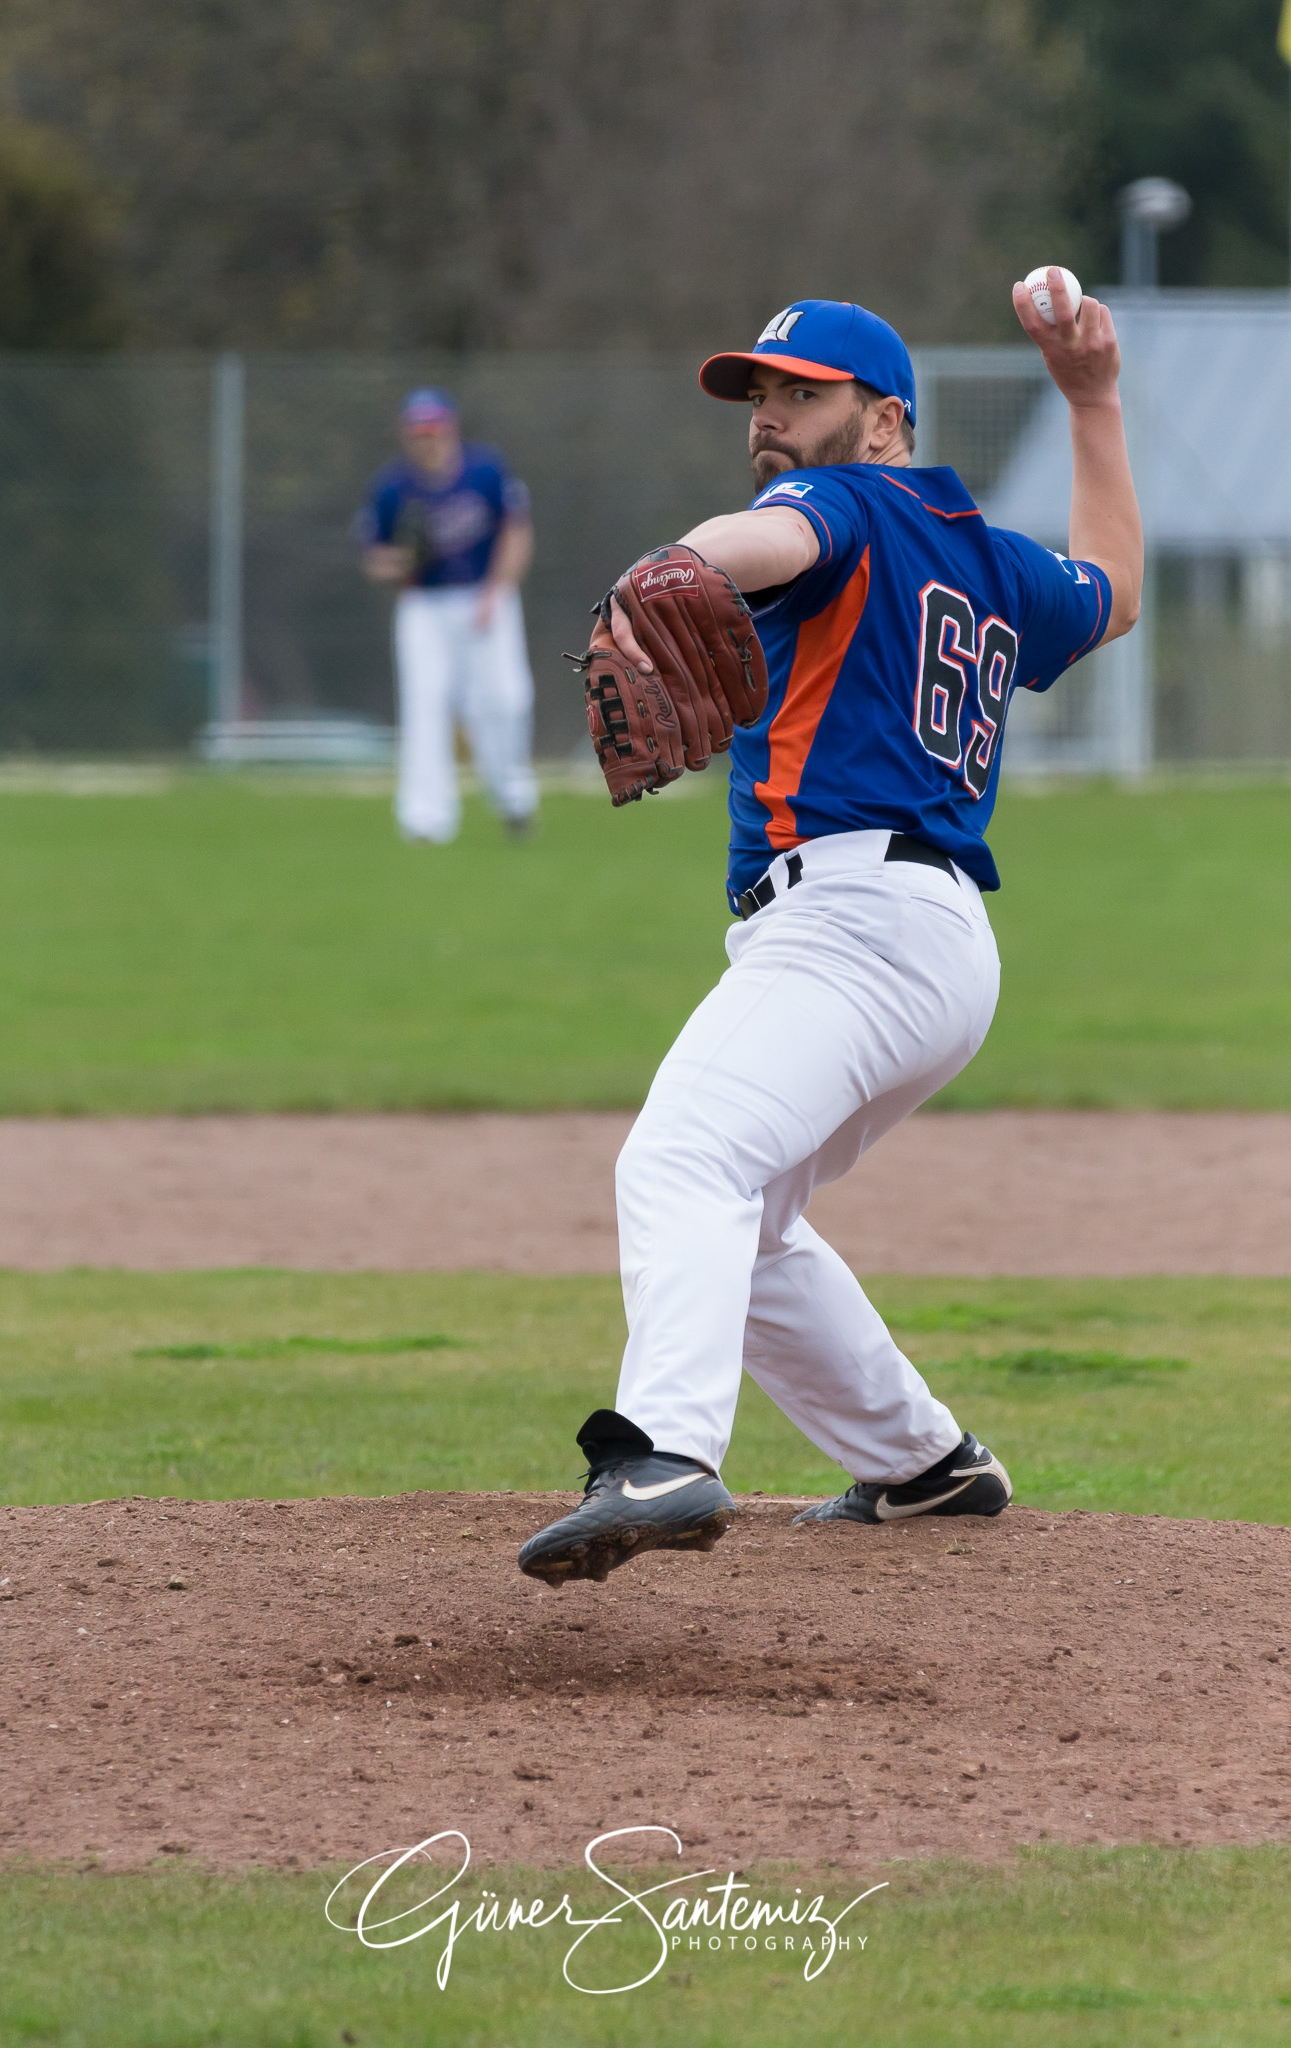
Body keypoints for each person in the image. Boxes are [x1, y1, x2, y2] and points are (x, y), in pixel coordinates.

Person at [519, 277, 1143, 1585]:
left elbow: (757, 547)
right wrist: (1092, 402)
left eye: (801, 394)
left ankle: (665, 1451)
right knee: (744, 1221)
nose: (769, 417)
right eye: (759, 395)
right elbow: (1113, 590)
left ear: (883, 421)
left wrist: (669, 572)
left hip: (849, 922)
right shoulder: (990, 557)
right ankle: (924, 1465)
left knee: (680, 1164)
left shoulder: (837, 503)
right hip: (938, 944)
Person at [359, 388, 538, 841]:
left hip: (487, 594)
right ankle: (425, 820)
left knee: (505, 701)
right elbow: (374, 558)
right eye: (418, 433)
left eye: (434, 430)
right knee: (425, 705)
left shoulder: (485, 471)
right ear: (407, 436)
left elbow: (515, 532)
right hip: (426, 605)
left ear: (450, 429)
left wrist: (496, 593)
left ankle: (513, 798)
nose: (427, 440)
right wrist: (402, 559)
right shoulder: (392, 486)